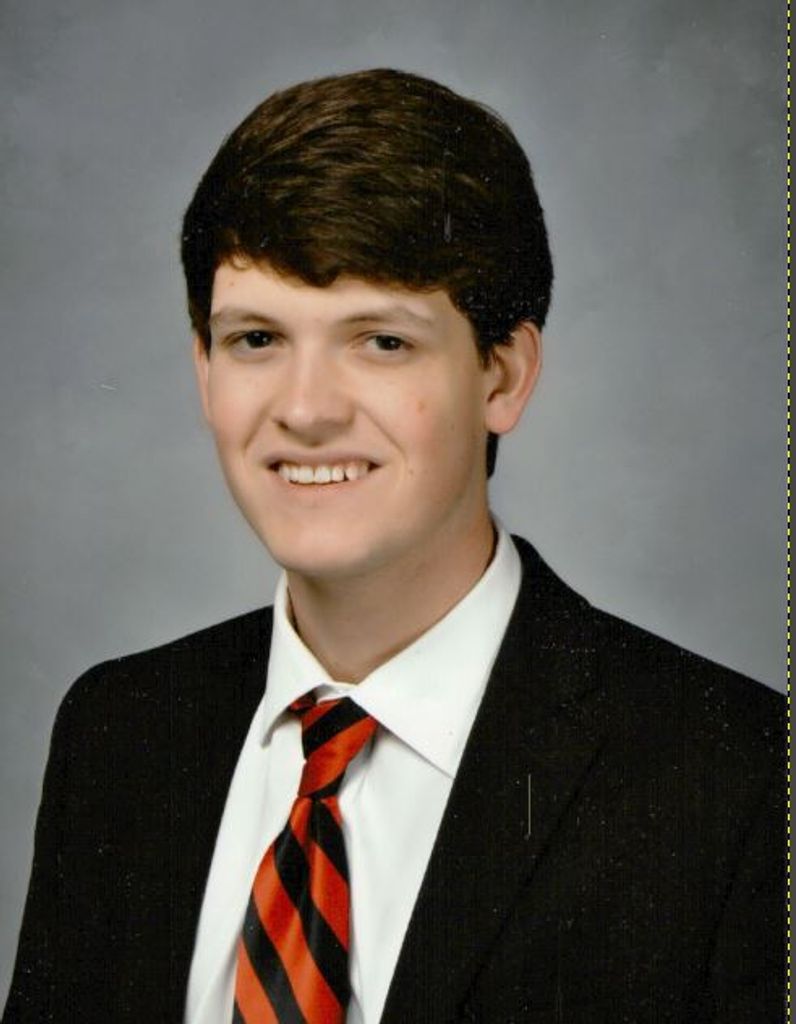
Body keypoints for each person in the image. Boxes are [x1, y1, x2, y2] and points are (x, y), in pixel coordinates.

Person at [3, 68, 784, 1024]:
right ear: (204, 369)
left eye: (381, 342)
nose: (305, 410)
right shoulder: (119, 734)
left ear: (503, 376)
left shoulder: (736, 778)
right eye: (257, 340)